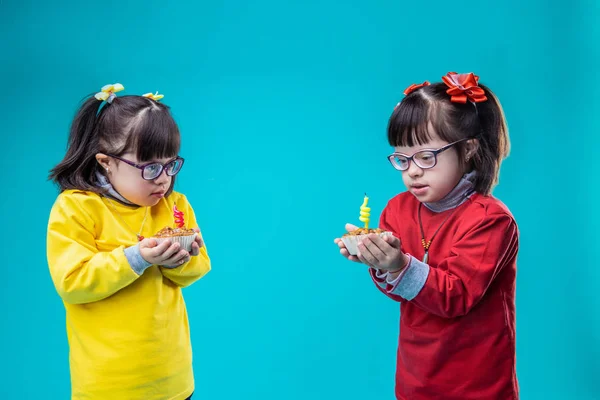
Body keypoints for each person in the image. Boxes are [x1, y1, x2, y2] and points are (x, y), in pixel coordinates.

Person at [335, 72, 519, 399]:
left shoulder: (490, 220)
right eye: (402, 159)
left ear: (469, 149)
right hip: (416, 379)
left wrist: (399, 265)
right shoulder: (397, 210)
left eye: (425, 157)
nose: (413, 171)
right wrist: (380, 263)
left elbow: (457, 296)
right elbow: (402, 293)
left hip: (478, 385)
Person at [47, 83, 210, 400]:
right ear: (106, 162)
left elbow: (198, 269)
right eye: (149, 167)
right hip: (110, 385)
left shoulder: (175, 205)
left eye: (170, 163)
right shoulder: (77, 207)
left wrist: (184, 258)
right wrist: (137, 258)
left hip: (172, 378)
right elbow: (72, 281)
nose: (163, 177)